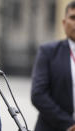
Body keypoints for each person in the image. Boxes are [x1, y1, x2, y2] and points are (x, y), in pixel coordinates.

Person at [31, 1, 75, 131]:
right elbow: (38, 94)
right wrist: (68, 124)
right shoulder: (48, 52)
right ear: (64, 22)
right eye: (73, 18)